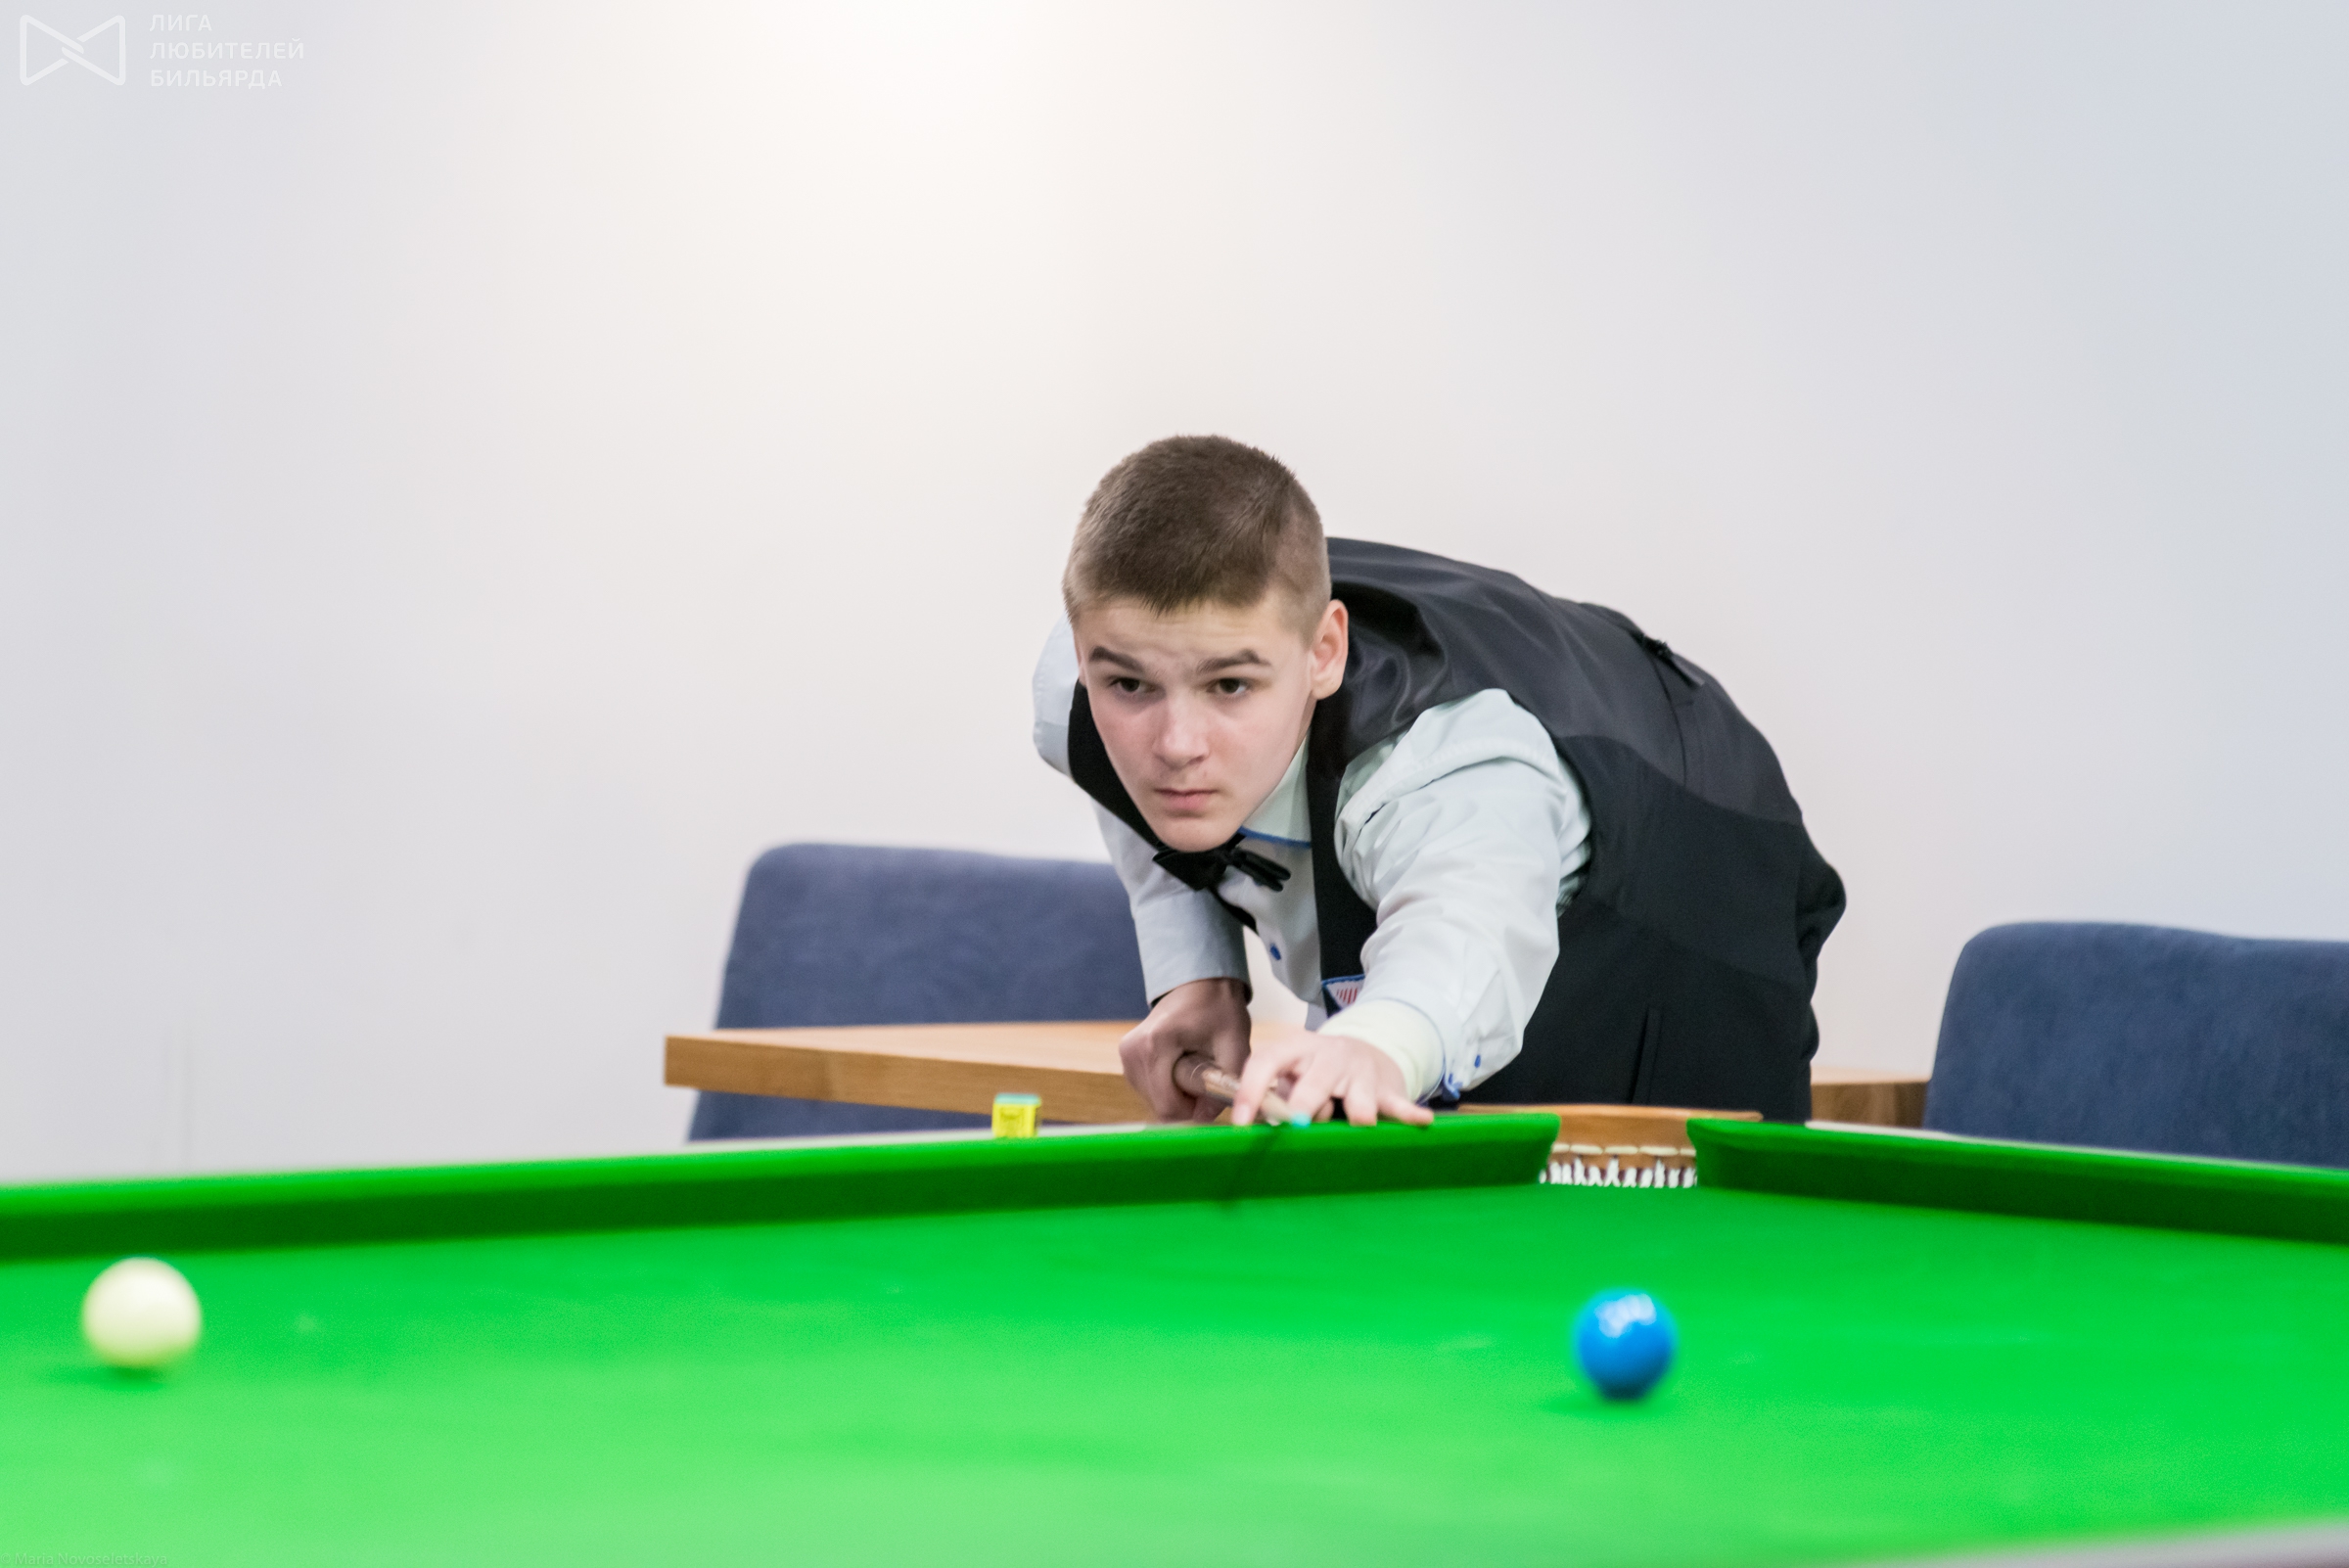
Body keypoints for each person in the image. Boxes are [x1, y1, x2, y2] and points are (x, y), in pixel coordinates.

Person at [1032, 436, 1844, 1129]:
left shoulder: (1440, 771)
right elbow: (1129, 800)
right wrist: (1197, 979)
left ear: (1323, 653)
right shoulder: (1083, 687)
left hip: (1690, 892)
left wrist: (1378, 1043)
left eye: (1230, 685)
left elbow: (1465, 931)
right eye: (1130, 686)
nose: (1174, 747)